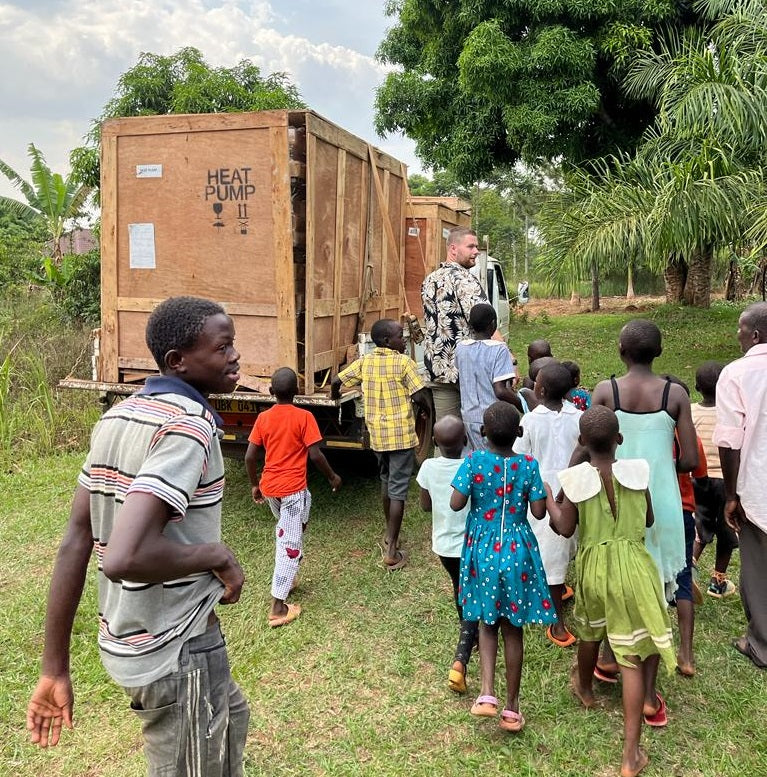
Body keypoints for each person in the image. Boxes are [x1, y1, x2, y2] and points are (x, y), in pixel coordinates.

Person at [26, 296, 249, 775]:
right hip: (175, 648)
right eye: (222, 347)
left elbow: (75, 539)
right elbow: (123, 557)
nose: (235, 356)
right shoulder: (188, 426)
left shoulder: (120, 415)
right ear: (178, 361)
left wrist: (54, 667)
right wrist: (218, 555)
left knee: (232, 720)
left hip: (136, 638)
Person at [546, 406, 675, 777]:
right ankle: (630, 754)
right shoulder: (637, 472)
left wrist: (550, 499)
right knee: (631, 656)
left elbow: (565, 528)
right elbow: (648, 519)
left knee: (589, 630)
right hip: (634, 566)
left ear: (582, 443)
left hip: (594, 569)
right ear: (619, 439)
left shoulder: (576, 480)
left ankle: (585, 689)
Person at [590, 319, 696, 724]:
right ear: (660, 352)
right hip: (663, 502)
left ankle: (607, 658)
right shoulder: (676, 394)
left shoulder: (606, 391)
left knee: (613, 574)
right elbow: (688, 459)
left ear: (620, 350)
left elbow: (590, 443)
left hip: (614, 499)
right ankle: (649, 694)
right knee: (654, 590)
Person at [450, 401, 555, 733]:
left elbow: (456, 502)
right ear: (519, 433)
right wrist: (544, 490)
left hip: (483, 549)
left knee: (487, 622)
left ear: (482, 432)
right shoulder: (528, 465)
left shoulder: (474, 461)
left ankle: (486, 693)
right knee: (513, 629)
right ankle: (512, 708)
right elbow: (539, 513)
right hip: (517, 549)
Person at [331, 318, 432, 570]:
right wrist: (426, 411)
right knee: (398, 490)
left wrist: (334, 398)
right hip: (401, 436)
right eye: (400, 335)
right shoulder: (403, 363)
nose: (404, 339)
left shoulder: (365, 362)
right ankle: (392, 549)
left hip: (378, 436)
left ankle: (389, 533)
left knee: (386, 482)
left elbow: (336, 382)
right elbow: (419, 394)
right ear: (387, 341)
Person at [245, 367, 342, 628]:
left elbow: (250, 457)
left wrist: (255, 485)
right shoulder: (304, 417)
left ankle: (289, 577)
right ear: (297, 392)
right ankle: (278, 606)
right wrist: (332, 477)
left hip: (271, 489)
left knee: (297, 523)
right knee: (289, 543)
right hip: (292, 489)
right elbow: (316, 455)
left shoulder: (264, 419)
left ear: (271, 391)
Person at [713, 301, 767, 669]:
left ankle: (760, 644)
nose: (737, 335)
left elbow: (730, 440)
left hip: (758, 486)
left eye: (739, 329)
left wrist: (731, 495)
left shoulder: (737, 373)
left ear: (755, 335)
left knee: (758, 565)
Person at [514, 362, 581, 647]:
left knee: (551, 556)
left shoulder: (529, 421)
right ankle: (558, 591)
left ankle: (556, 623)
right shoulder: (580, 417)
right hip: (574, 492)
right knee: (565, 549)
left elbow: (519, 458)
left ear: (538, 390)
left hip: (542, 495)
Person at [421, 227, 517, 421]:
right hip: (469, 370)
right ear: (453, 249)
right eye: (471, 246)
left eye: (477, 247)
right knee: (481, 428)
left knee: (447, 431)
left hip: (439, 370)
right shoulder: (465, 280)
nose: (476, 252)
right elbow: (485, 323)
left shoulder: (429, 280)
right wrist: (510, 360)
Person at [416, 415, 475, 694]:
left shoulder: (428, 466)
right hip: (470, 545)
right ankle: (464, 649)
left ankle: (468, 627)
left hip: (443, 546)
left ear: (436, 443)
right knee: (470, 591)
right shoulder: (471, 466)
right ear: (465, 440)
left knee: (459, 586)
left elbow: (425, 507)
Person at [662, 375, 708, 678]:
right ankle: (686, 654)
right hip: (683, 510)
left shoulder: (650, 431)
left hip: (654, 509)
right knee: (683, 578)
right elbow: (699, 470)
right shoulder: (686, 433)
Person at [690, 360, 739, 599]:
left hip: (699, 479)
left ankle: (688, 569)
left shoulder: (690, 412)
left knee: (701, 526)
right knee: (727, 531)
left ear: (697, 387)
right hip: (727, 482)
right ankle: (717, 581)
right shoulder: (730, 413)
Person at [455, 303, 521, 450]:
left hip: (468, 417)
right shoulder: (499, 349)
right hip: (493, 420)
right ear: (493, 324)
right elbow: (500, 390)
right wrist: (522, 404)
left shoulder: (461, 348)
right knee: (495, 459)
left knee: (477, 462)